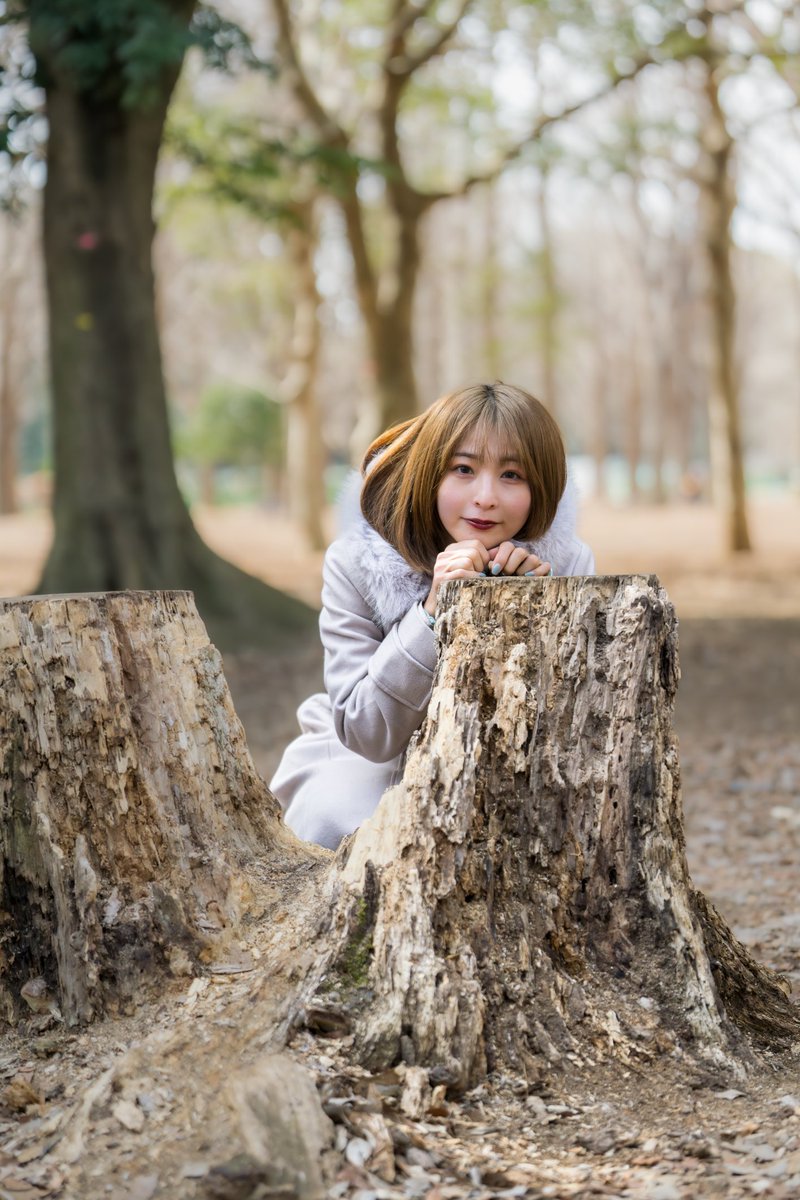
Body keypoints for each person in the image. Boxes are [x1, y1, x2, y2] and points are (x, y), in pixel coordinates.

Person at [270, 382, 595, 849]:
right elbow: (365, 731)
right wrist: (431, 611)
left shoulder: (565, 564)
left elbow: (576, 724)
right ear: (430, 472)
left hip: (506, 766)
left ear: (540, 486)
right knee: (354, 828)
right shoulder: (359, 563)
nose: (486, 497)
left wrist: (531, 612)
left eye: (512, 475)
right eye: (463, 469)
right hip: (367, 762)